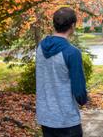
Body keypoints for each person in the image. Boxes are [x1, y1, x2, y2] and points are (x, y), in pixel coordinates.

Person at [36, 7, 87, 137]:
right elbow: (79, 91)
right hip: (66, 119)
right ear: (73, 25)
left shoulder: (41, 47)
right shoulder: (72, 52)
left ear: (54, 24)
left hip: (45, 116)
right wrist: (83, 100)